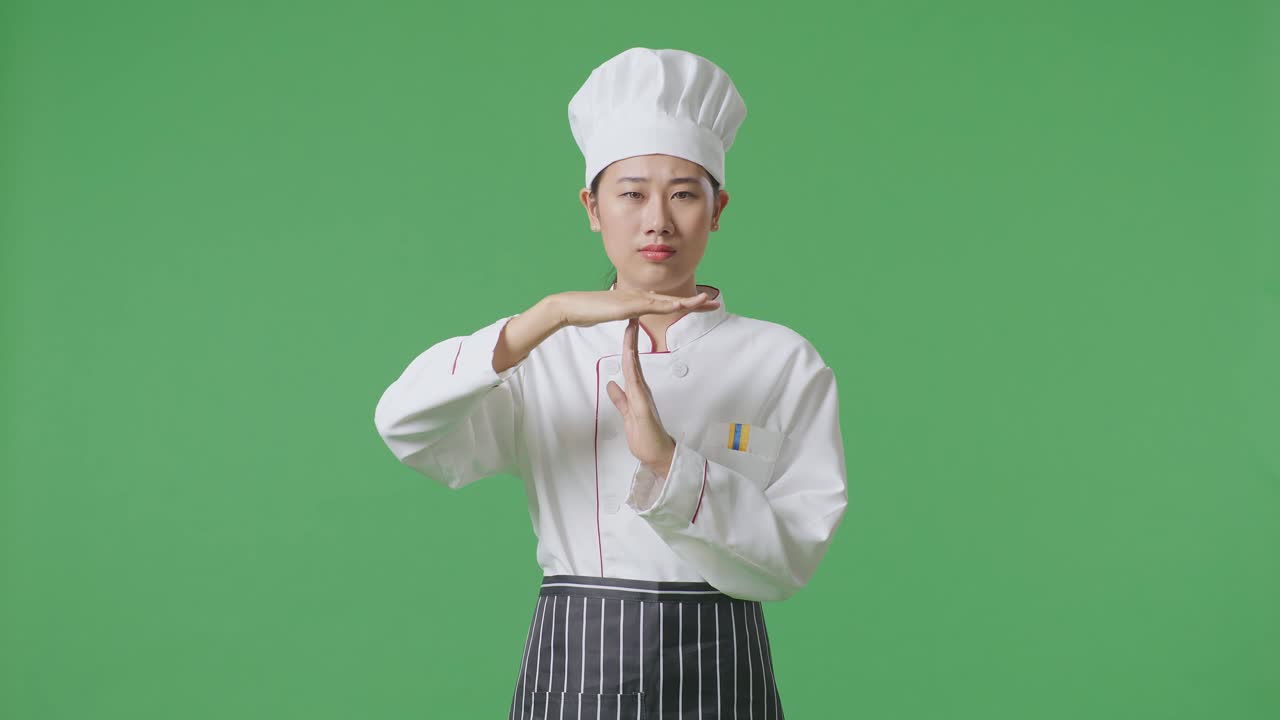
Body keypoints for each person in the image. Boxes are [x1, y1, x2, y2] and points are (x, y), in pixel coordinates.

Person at [374, 47, 848, 720]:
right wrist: (548, 315)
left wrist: (668, 463)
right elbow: (405, 425)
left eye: (684, 193)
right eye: (631, 193)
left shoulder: (781, 360)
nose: (657, 219)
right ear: (592, 207)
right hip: (576, 664)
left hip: (724, 670)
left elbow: (793, 555)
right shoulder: (542, 352)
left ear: (718, 209)